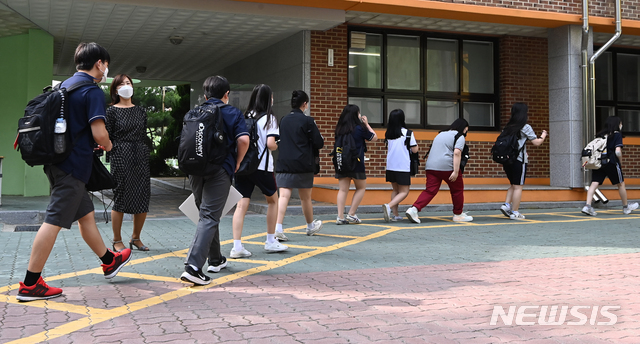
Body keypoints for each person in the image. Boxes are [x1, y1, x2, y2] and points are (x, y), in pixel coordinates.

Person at [17, 42, 132, 302]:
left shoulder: (65, 86)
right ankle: (30, 284)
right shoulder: (91, 91)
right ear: (99, 64)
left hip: (58, 162)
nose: (106, 70)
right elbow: (99, 132)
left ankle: (109, 261)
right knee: (54, 221)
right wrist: (109, 144)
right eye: (105, 64)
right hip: (73, 166)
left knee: (86, 216)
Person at [180, 76, 249, 285]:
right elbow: (244, 140)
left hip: (194, 168)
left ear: (205, 95)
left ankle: (216, 259)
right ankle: (193, 267)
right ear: (226, 94)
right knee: (210, 216)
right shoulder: (233, 112)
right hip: (220, 169)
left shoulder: (194, 112)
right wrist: (237, 162)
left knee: (207, 214)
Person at [231, 84, 288, 258]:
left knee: (241, 205)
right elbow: (271, 144)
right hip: (262, 167)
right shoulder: (270, 118)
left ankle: (237, 246)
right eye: (271, 96)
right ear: (267, 99)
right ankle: (270, 241)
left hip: (244, 166)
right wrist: (278, 144)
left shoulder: (245, 116)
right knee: (273, 201)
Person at [105, 74, 151, 252]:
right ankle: (117, 239)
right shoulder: (111, 111)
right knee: (121, 197)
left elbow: (143, 133)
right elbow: (108, 135)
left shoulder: (140, 111)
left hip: (140, 153)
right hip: (120, 155)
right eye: (122, 84)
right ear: (116, 89)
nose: (126, 86)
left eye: (128, 83)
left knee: (142, 196)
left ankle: (136, 238)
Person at [275, 90, 324, 239]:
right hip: (303, 164)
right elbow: (319, 142)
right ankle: (310, 226)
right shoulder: (308, 121)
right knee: (305, 198)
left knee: (283, 196)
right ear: (304, 104)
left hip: (284, 162)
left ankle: (278, 227)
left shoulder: (283, 120)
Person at [405, 118, 473, 224]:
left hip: (431, 166)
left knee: (430, 190)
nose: (466, 132)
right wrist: (455, 171)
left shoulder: (440, 134)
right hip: (447, 166)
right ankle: (458, 214)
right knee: (457, 190)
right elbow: (456, 153)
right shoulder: (459, 136)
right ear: (464, 128)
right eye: (466, 130)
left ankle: (414, 209)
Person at [498, 103, 547, 220]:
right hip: (519, 160)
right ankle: (515, 212)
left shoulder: (507, 127)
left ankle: (506, 205)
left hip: (507, 160)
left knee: (513, 185)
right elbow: (537, 142)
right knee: (518, 186)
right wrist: (543, 135)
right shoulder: (525, 127)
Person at [582, 116, 638, 216]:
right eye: (620, 123)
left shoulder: (601, 135)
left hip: (598, 162)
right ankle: (626, 207)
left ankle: (587, 206)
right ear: (617, 124)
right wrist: (619, 162)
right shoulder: (617, 135)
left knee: (594, 183)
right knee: (620, 184)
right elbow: (618, 151)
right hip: (611, 162)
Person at [334, 104, 378, 225]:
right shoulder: (359, 128)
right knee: (361, 187)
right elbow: (374, 137)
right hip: (356, 162)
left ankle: (340, 216)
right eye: (358, 113)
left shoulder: (339, 129)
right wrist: (366, 124)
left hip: (342, 162)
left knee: (343, 190)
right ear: (355, 115)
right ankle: (351, 214)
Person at [382, 109, 418, 222]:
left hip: (390, 166)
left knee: (395, 190)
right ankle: (388, 206)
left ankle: (396, 214)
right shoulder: (408, 133)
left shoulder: (389, 133)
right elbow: (415, 149)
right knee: (404, 192)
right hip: (402, 166)